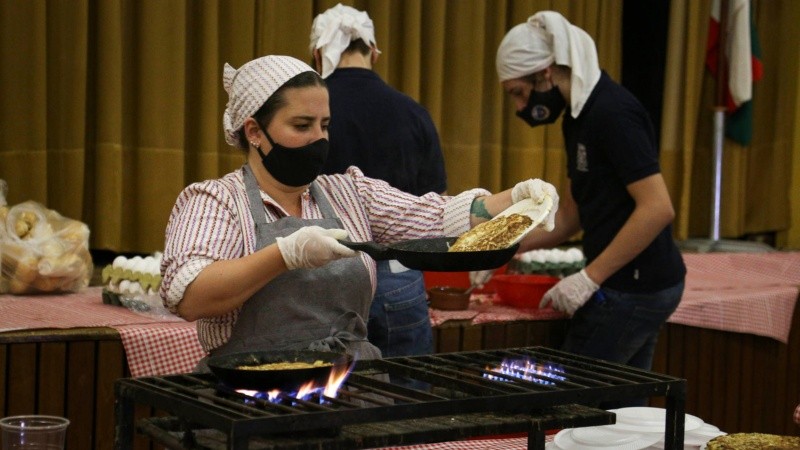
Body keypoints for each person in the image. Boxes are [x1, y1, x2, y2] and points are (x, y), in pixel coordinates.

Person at [159, 54, 558, 369]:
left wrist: (517, 198)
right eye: (302, 125)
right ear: (254, 131)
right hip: (246, 395)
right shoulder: (214, 201)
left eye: (325, 125)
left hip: (347, 387)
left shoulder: (350, 193)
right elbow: (190, 295)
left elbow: (439, 216)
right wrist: (284, 255)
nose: (319, 139)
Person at [495, 11, 686, 402]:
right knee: (623, 411)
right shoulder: (578, 116)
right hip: (636, 282)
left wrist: (590, 277)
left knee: (568, 400)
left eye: (518, 92)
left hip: (636, 285)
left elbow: (657, 208)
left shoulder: (612, 113)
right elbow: (571, 215)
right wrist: (506, 248)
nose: (518, 108)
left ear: (545, 74)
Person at [308, 4, 447, 360]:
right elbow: (437, 205)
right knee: (407, 402)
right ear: (373, 52)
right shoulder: (413, 112)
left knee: (332, 400)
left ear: (317, 54)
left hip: (328, 279)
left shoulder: (307, 115)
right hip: (400, 278)